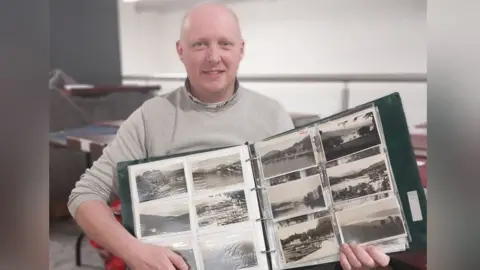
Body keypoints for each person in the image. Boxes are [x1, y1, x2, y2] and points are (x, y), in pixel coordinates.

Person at [67, 2, 390, 270]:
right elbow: (84, 196)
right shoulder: (151, 117)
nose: (213, 56)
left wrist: (350, 244)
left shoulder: (272, 114)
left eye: (224, 43)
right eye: (199, 44)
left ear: (240, 50)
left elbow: (302, 206)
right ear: (181, 51)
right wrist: (133, 250)